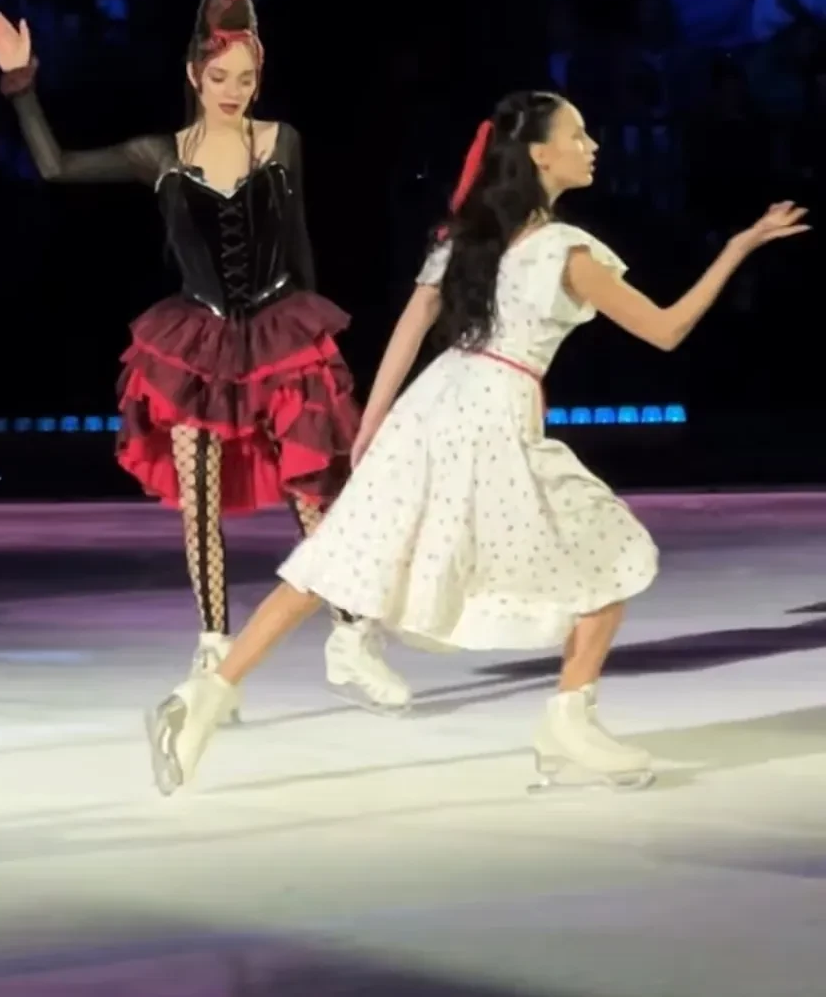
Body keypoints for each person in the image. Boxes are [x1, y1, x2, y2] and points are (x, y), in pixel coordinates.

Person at [145, 90, 809, 795]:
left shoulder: (465, 237)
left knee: (332, 563)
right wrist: (738, 247)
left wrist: (372, 428)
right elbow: (667, 330)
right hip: (493, 415)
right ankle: (568, 723)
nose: (592, 146)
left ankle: (201, 701)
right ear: (539, 154)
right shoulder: (565, 251)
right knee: (609, 553)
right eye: (578, 135)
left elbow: (409, 330)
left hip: (431, 405)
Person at [0, 0, 410, 715]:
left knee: (313, 495)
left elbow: (299, 241)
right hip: (197, 342)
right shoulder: (163, 155)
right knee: (199, 505)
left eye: (246, 78)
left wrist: (314, 345)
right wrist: (21, 84)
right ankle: (215, 656)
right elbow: (56, 167)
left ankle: (350, 638)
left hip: (279, 330)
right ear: (193, 76)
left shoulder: (280, 142)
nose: (233, 91)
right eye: (219, 78)